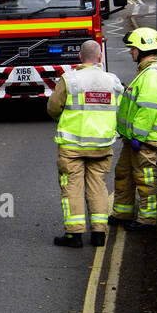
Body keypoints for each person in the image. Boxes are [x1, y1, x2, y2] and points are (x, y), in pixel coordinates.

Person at [46, 39, 123, 248]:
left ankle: (74, 235)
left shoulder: (70, 80)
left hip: (72, 146)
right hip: (102, 145)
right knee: (98, 186)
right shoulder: (113, 81)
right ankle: (99, 233)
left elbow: (53, 108)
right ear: (99, 57)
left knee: (72, 187)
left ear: (80, 57)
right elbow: (121, 110)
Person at [111, 27, 157, 231]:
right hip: (134, 138)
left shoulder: (152, 75)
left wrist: (138, 136)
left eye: (133, 48)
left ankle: (147, 221)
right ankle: (122, 212)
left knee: (145, 179)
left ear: (142, 49)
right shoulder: (145, 72)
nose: (131, 51)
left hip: (146, 140)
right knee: (124, 174)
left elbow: (147, 110)